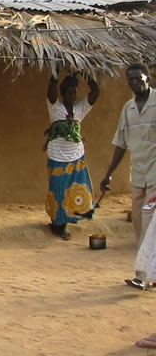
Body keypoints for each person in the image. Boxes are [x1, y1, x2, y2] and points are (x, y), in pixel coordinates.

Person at [100, 64, 156, 282]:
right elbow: (121, 144)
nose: (134, 83)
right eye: (129, 80)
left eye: (137, 79)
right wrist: (109, 174)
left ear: (147, 78)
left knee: (150, 223)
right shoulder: (128, 108)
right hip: (139, 176)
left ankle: (143, 275)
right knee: (139, 223)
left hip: (155, 176)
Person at [44, 71, 100, 240]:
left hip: (76, 156)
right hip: (57, 156)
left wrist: (87, 73)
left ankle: (66, 223)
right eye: (68, 92)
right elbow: (51, 92)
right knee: (59, 191)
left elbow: (96, 92)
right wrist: (54, 74)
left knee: (75, 192)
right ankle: (58, 225)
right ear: (62, 93)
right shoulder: (55, 108)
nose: (72, 95)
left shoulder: (80, 109)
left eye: (74, 92)